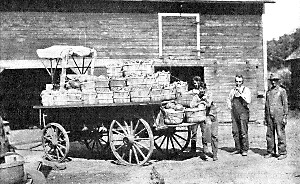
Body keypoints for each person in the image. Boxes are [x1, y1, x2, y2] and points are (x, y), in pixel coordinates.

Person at [190, 77, 219, 161]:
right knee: (198, 133)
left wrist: (204, 100)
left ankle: (214, 154)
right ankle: (196, 150)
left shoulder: (209, 94)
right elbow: (192, 105)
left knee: (213, 135)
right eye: (200, 89)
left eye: (203, 89)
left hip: (212, 116)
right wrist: (199, 101)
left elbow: (209, 104)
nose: (201, 91)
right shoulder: (197, 96)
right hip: (203, 116)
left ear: (205, 89)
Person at [264, 73, 288, 160]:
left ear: (278, 81)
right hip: (269, 115)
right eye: (272, 81)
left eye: (275, 80)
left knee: (280, 133)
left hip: (279, 115)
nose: (273, 82)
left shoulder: (282, 91)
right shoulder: (268, 92)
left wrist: (285, 116)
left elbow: (285, 104)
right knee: (269, 134)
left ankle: (282, 152)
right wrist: (265, 117)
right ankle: (271, 151)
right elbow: (266, 105)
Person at [227, 74, 251, 156]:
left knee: (243, 131)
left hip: (243, 112)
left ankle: (244, 149)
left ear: (242, 82)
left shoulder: (246, 90)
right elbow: (229, 99)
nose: (238, 83)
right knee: (235, 131)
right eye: (236, 81)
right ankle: (238, 148)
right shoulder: (232, 90)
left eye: (240, 82)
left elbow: (248, 101)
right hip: (235, 113)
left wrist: (241, 93)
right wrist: (230, 108)